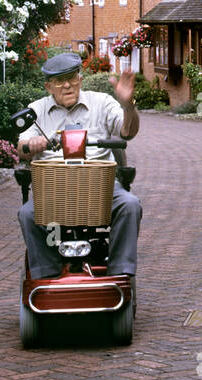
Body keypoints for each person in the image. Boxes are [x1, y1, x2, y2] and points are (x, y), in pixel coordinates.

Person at [16, 52, 142, 279]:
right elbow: (21, 146)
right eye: (58, 81)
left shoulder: (101, 103)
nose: (67, 86)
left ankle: (120, 274)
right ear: (48, 86)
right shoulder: (37, 110)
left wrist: (128, 106)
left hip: (100, 188)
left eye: (72, 78)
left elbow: (127, 133)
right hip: (54, 190)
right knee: (27, 214)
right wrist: (30, 144)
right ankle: (46, 275)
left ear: (80, 79)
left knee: (130, 205)